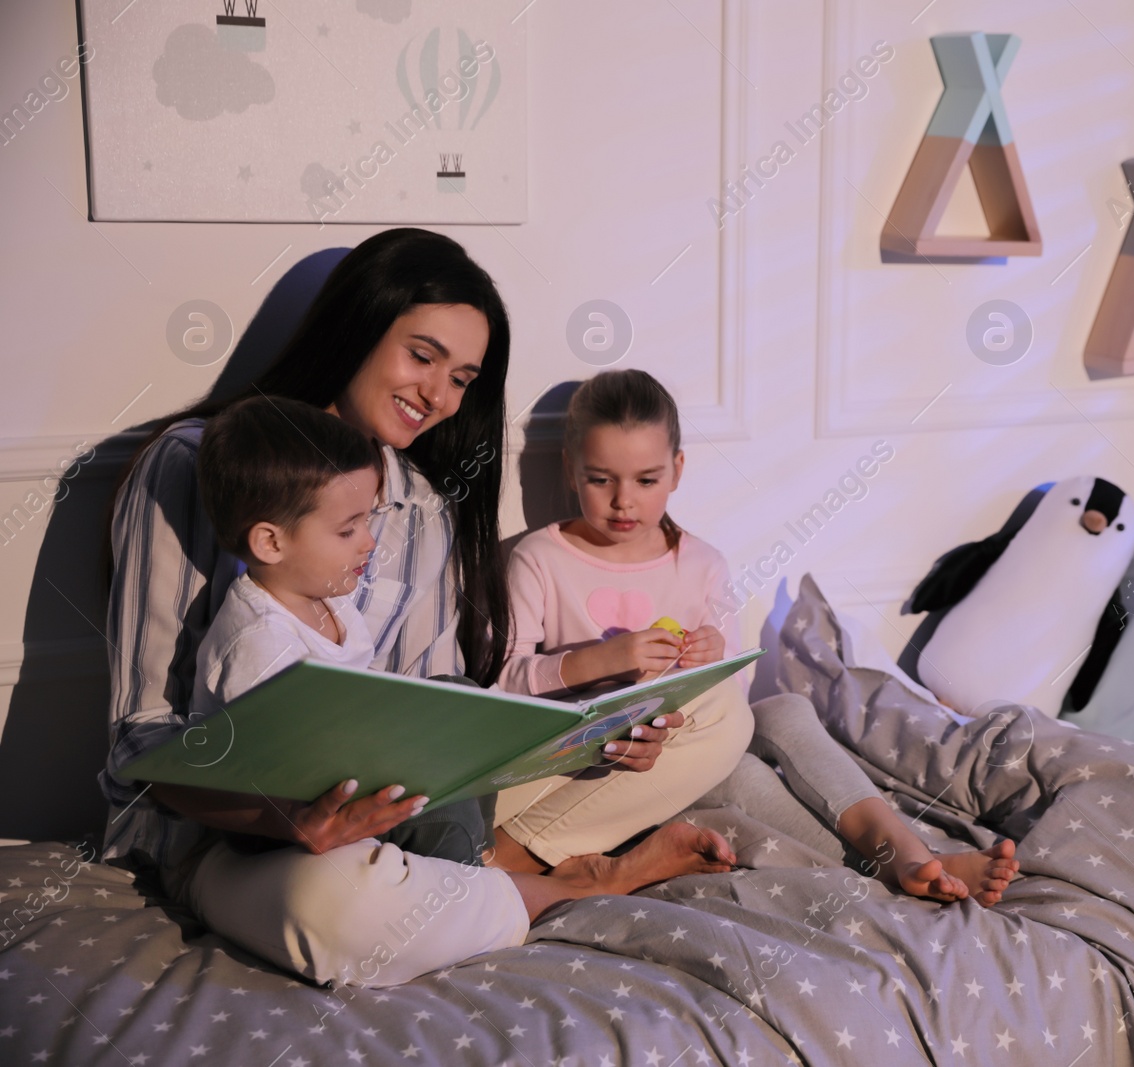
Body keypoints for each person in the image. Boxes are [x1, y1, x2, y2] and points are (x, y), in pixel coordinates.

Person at [98, 229, 734, 988]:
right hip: (226, 838)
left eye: (462, 376)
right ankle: (559, 883)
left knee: (722, 710)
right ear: (358, 329)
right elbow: (139, 745)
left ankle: (490, 874)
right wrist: (287, 821)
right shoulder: (191, 465)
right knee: (334, 905)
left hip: (393, 811)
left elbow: (437, 726)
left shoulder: (423, 508)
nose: (439, 395)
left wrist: (602, 740)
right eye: (422, 356)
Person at [494, 369, 1020, 904]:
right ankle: (901, 861)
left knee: (784, 709)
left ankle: (901, 848)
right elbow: (502, 685)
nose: (623, 501)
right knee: (742, 777)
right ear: (570, 469)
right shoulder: (539, 559)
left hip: (681, 748)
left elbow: (735, 702)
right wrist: (601, 660)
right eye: (601, 479)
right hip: (591, 765)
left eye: (646, 480)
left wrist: (710, 661)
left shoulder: (701, 565)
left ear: (677, 470)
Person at [191, 394, 489, 866]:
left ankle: (468, 859)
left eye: (367, 520)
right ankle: (463, 880)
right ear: (271, 542)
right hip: (285, 820)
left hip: (339, 768)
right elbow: (273, 768)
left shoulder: (328, 596)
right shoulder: (259, 641)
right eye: (348, 530)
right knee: (437, 807)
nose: (370, 541)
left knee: (465, 704)